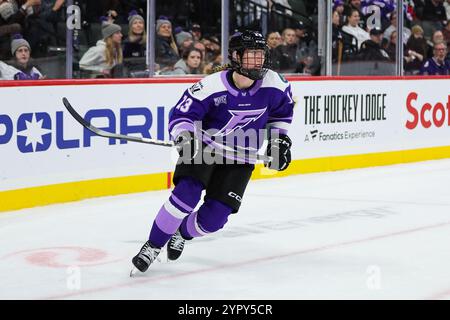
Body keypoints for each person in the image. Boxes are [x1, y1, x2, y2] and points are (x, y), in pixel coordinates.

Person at [130, 30, 295, 275]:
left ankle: (182, 233)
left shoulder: (276, 85)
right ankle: (153, 246)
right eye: (252, 56)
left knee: (214, 220)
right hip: (204, 148)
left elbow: (281, 115)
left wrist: (279, 141)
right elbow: (182, 116)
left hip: (242, 156)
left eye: (261, 55)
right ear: (236, 56)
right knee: (187, 195)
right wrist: (185, 137)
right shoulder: (211, 86)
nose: (258, 62)